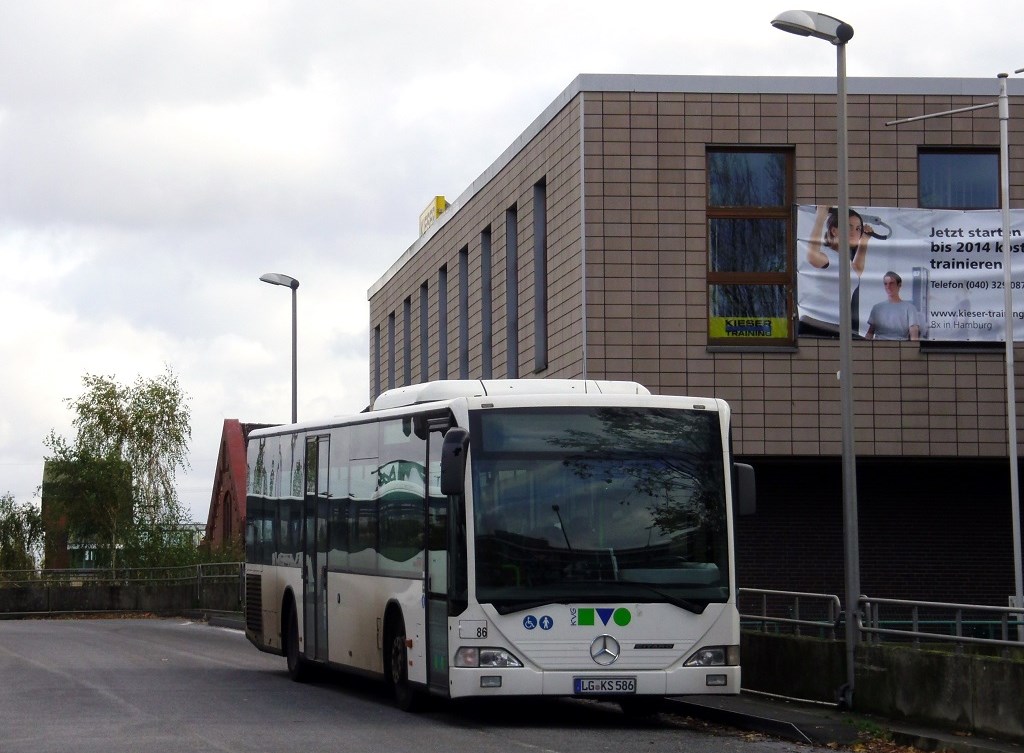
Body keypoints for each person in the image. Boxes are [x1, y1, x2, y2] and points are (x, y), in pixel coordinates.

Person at [806, 205, 873, 333]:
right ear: (834, 230)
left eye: (858, 228)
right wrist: (820, 218)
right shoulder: (827, 255)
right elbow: (812, 256)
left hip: (837, 325)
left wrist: (864, 241)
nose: (854, 232)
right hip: (816, 323)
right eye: (849, 226)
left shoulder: (844, 261)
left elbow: (857, 269)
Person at [865, 271, 921, 341]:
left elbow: (914, 335)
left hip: (900, 346)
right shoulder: (877, 308)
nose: (888, 287)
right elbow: (870, 333)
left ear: (899, 285)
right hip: (878, 347)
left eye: (891, 283)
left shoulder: (910, 308)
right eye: (886, 284)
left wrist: (912, 350)